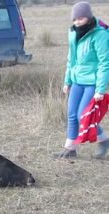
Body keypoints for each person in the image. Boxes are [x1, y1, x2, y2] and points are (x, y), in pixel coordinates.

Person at [55, 1, 109, 159]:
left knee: (82, 115)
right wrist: (67, 81)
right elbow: (71, 59)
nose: (77, 22)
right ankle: (70, 150)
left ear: (89, 17)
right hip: (77, 80)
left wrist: (100, 89)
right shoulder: (72, 32)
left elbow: (105, 63)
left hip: (92, 83)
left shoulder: (100, 35)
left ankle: (104, 139)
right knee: (71, 114)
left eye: (81, 18)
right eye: (74, 19)